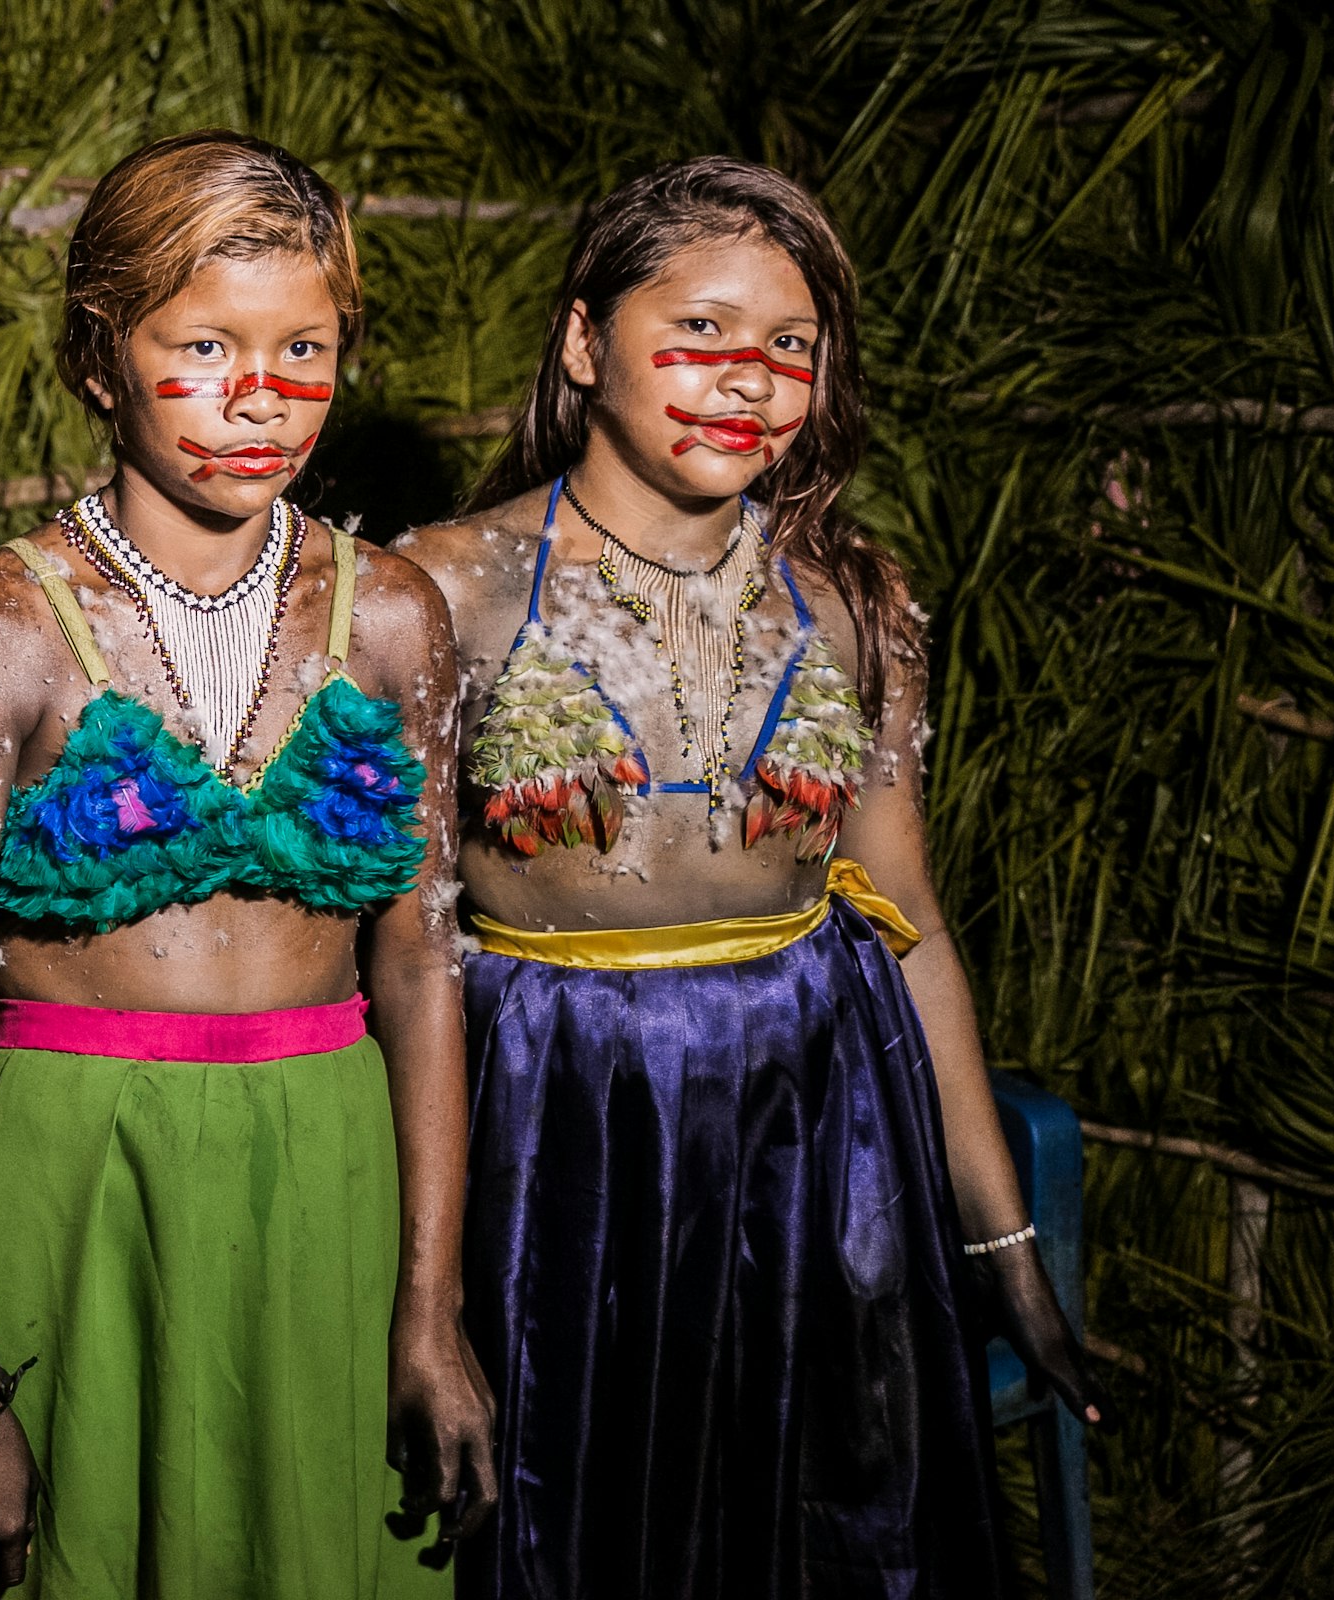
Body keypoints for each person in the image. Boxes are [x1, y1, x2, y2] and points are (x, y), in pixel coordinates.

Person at [394, 158, 1112, 1599]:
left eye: (792, 346)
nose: (751, 381)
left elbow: (910, 935)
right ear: (587, 343)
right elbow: (405, 952)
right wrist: (422, 1302)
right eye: (703, 333)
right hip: (562, 1127)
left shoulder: (850, 597)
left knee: (824, 1531)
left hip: (821, 1126)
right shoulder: (438, 590)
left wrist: (1006, 1248)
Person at [0, 131, 497, 1599]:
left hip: (326, 1167)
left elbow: (418, 968)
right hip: (79, 1171)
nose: (259, 397)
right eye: (204, 344)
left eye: (306, 350)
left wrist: (429, 1309)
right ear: (102, 358)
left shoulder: (395, 616)